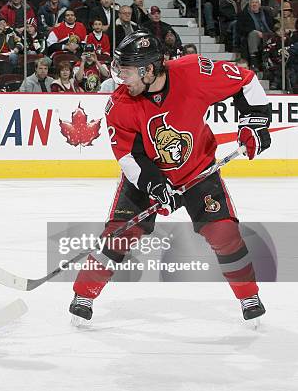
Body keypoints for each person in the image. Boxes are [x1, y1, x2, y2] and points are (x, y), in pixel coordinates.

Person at [69, 31, 270, 323]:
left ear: (149, 69)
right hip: (146, 175)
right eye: (120, 71)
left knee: (224, 233)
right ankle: (83, 294)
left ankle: (248, 295)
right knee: (120, 233)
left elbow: (246, 81)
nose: (122, 79)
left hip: (197, 170)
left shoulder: (193, 72)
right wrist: (154, 184)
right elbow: (129, 156)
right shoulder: (120, 104)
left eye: (128, 72)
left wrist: (253, 123)